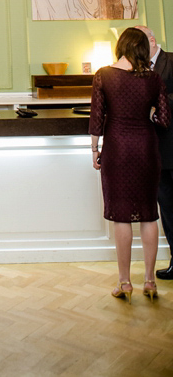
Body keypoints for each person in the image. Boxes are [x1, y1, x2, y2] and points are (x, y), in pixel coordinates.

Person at [89, 26, 171, 300]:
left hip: (118, 149)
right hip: (147, 149)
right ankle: (149, 280)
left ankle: (124, 282)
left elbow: (96, 119)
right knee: (149, 213)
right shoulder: (154, 78)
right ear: (143, 49)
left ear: (121, 45)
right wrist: (148, 117)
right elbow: (164, 119)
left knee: (122, 216)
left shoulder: (104, 75)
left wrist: (94, 150)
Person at [140, 25, 173, 280]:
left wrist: (156, 104)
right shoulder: (136, 68)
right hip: (157, 154)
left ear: (151, 40)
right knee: (168, 210)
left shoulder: (171, 60)